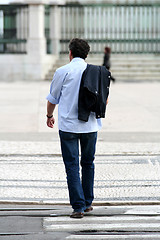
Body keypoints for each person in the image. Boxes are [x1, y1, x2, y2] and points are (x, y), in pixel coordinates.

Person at [46, 38, 108, 218]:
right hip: (90, 126)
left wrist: (49, 116)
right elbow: (104, 99)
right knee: (88, 164)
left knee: (72, 166)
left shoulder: (63, 71)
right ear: (87, 54)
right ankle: (88, 203)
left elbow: (52, 98)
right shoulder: (98, 72)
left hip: (68, 127)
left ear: (70, 53)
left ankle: (78, 207)